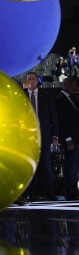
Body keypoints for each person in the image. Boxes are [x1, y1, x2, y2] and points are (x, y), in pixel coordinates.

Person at [24, 71, 59, 201]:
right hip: (28, 137)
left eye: (33, 79)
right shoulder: (22, 96)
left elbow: (53, 117)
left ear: (38, 81)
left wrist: (55, 135)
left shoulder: (46, 96)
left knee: (46, 165)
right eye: (28, 79)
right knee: (32, 166)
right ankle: (33, 194)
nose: (31, 81)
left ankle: (50, 194)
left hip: (43, 135)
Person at [56, 77, 79, 200]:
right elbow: (61, 122)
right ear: (66, 85)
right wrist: (68, 138)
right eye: (73, 84)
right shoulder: (60, 100)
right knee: (70, 165)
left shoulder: (72, 99)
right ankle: (70, 192)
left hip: (75, 138)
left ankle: (73, 190)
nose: (74, 87)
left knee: (75, 166)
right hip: (70, 139)